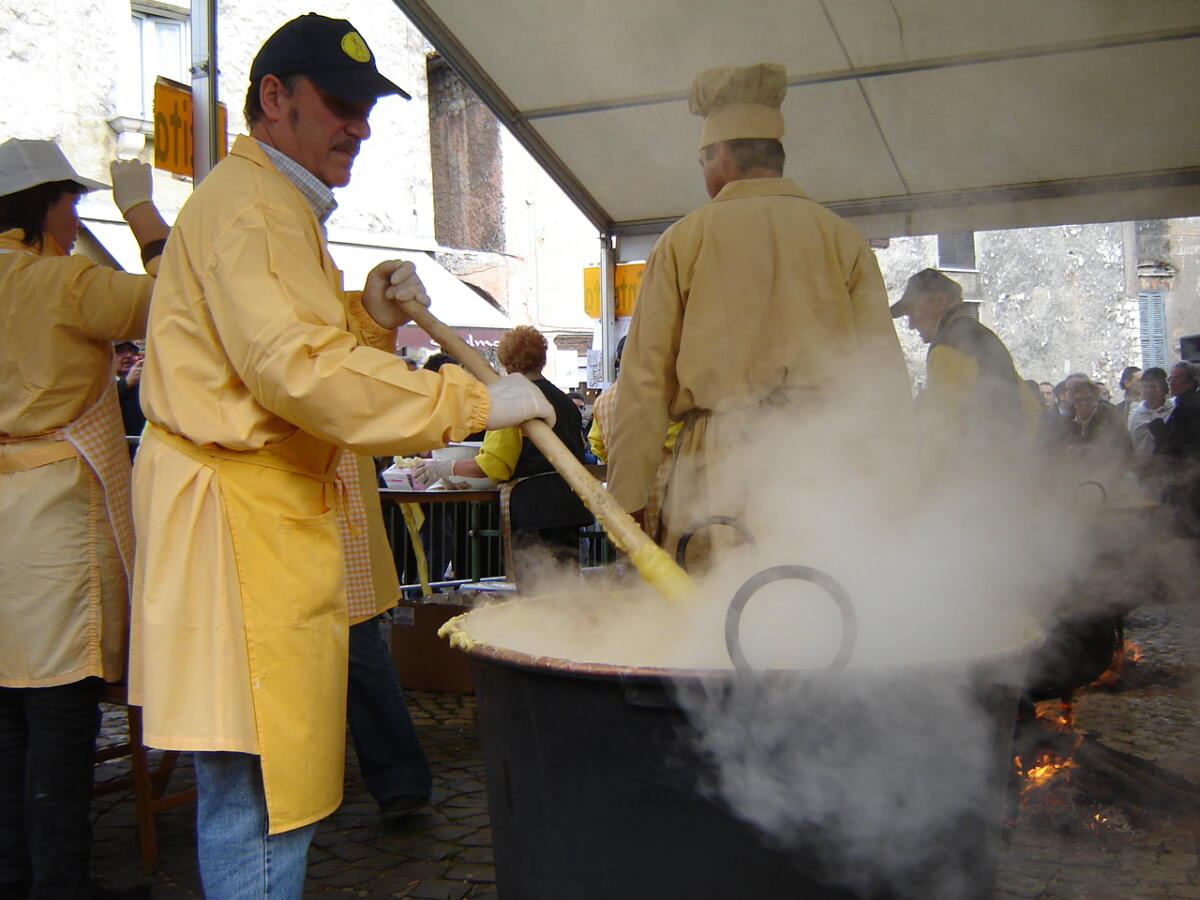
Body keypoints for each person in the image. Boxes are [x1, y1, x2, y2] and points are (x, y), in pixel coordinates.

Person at [127, 14, 552, 899]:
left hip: (249, 525)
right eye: (339, 103)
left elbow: (282, 350)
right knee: (259, 791)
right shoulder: (255, 210)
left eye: (366, 108)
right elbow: (299, 371)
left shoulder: (271, 205)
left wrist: (367, 317)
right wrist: (473, 401)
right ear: (274, 98)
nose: (357, 125)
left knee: (256, 779)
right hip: (239, 530)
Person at [606, 63, 908, 557]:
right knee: (818, 593)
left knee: (714, 599)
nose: (704, 175)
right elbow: (882, 377)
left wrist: (627, 502)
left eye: (703, 162)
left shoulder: (684, 240)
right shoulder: (843, 239)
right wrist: (892, 485)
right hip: (822, 463)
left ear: (721, 154)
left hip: (717, 468)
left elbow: (643, 384)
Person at [0, 139, 168, 900]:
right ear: (43, 205)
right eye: (72, 202)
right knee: (58, 711)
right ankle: (61, 883)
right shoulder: (61, 282)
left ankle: (14, 873)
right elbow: (174, 299)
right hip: (54, 519)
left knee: (7, 715)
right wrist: (143, 215)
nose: (75, 218)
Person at [415, 326, 591, 588]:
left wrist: (444, 467)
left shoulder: (512, 402)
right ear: (542, 360)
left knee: (536, 590)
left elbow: (493, 466)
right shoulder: (565, 402)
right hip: (568, 502)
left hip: (534, 509)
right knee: (565, 587)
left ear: (506, 364)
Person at [890, 268, 1041, 483]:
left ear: (939, 301)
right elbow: (1031, 411)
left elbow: (942, 433)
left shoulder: (948, 346)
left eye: (913, 311)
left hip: (968, 484)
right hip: (1003, 482)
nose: (911, 324)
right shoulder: (983, 337)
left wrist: (925, 486)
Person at [1128, 366, 1172, 459]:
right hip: (1141, 464)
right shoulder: (1136, 413)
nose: (1148, 390)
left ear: (1163, 389)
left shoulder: (1172, 410)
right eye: (1145, 387)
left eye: (1153, 387)